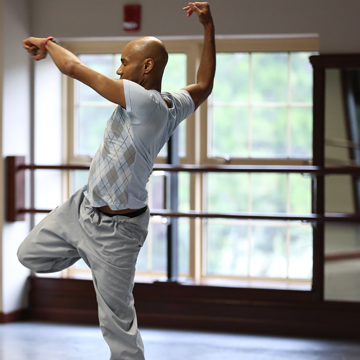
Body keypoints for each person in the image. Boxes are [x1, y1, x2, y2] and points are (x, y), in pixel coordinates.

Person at [17, 3, 215, 360]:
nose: (119, 68)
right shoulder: (175, 104)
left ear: (147, 67)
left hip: (118, 232)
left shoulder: (147, 103)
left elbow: (74, 68)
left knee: (117, 326)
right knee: (29, 255)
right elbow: (203, 84)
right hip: (82, 208)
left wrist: (48, 43)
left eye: (125, 62)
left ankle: (100, 257)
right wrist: (208, 27)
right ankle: (88, 251)